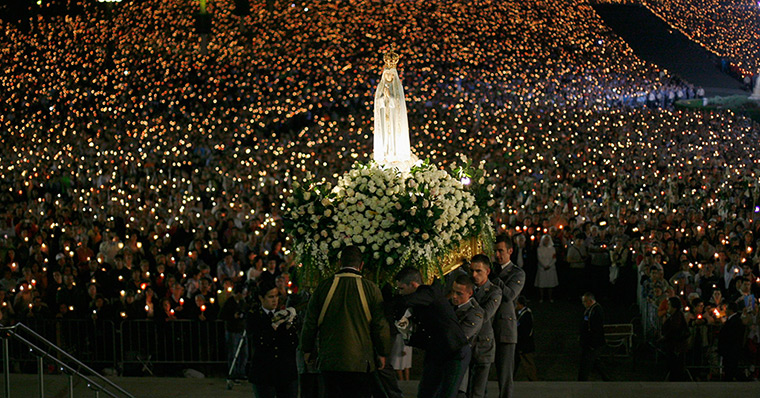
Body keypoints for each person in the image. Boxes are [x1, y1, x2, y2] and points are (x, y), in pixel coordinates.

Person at [300, 246, 391, 398]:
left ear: (339, 263)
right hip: (361, 361)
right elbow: (380, 326)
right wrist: (382, 352)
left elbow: (310, 323)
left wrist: (307, 349)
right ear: (361, 265)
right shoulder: (371, 289)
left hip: (330, 360)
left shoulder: (324, 287)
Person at [395, 267, 468, 398]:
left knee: (447, 394)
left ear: (413, 285)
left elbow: (404, 302)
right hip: (437, 352)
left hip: (454, 351)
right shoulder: (420, 299)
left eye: (401, 289)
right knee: (425, 392)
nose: (400, 293)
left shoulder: (428, 292)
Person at [247, 279, 299, 398]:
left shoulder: (284, 314)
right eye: (271, 297)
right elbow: (259, 341)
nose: (275, 300)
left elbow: (293, 342)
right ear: (261, 298)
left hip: (285, 371)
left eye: (276, 296)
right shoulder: (254, 316)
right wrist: (273, 326)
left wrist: (289, 325)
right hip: (264, 372)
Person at [492, 234, 525, 398]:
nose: (497, 255)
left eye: (501, 251)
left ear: (510, 251)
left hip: (504, 328)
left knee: (505, 375)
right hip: (487, 328)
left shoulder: (517, 273)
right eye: (495, 251)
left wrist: (491, 279)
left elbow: (509, 295)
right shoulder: (490, 269)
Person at [468, 254, 502, 398]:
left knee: (478, 391)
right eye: (472, 271)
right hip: (468, 343)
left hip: (483, 345)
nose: (474, 275)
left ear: (487, 271)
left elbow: (484, 315)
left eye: (478, 271)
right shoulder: (467, 287)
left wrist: (468, 298)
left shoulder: (494, 291)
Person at [374, 49, 413, 169]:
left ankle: (396, 154)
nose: (388, 76)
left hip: (394, 118)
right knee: (386, 135)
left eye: (391, 74)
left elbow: (399, 103)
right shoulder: (381, 88)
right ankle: (385, 153)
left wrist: (390, 97)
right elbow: (377, 103)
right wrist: (382, 98)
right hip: (385, 117)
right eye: (386, 74)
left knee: (394, 135)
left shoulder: (397, 89)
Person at [449, 274, 482, 398]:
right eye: (453, 292)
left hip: (460, 361)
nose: (454, 296)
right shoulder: (449, 305)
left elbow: (459, 337)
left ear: (470, 293)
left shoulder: (474, 313)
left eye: (459, 293)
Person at [219, 284, 249, 383]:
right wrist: (233, 316)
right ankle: (233, 373)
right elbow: (222, 315)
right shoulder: (229, 303)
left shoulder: (242, 302)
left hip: (242, 330)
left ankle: (241, 372)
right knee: (233, 353)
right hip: (232, 331)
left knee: (244, 353)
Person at [578, 292, 609, 381]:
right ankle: (606, 377)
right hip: (589, 342)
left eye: (584, 301)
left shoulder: (596, 311)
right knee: (595, 361)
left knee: (586, 364)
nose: (583, 304)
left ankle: (582, 381)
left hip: (592, 343)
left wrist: (592, 343)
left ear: (590, 301)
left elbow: (596, 329)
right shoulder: (591, 310)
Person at [659, 297, 688, 381]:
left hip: (676, 346)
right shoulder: (674, 316)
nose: (667, 307)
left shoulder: (677, 317)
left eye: (669, 305)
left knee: (675, 368)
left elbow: (674, 330)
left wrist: (665, 337)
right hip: (673, 345)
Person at [718, 301, 746, 381]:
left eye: (727, 309)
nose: (725, 311)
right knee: (730, 366)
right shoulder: (734, 320)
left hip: (730, 348)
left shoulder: (734, 321)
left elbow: (730, 334)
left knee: (730, 366)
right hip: (731, 348)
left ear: (730, 310)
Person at [515, 296, 537, 381]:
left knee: (528, 362)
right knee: (515, 362)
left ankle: (533, 378)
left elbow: (525, 332)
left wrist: (521, 344)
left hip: (525, 345)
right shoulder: (521, 313)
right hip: (521, 344)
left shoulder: (526, 315)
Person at [535, 234, 558, 303]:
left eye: (547, 240)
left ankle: (550, 297)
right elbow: (539, 258)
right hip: (542, 268)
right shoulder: (539, 249)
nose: (546, 241)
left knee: (550, 283)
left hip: (551, 268)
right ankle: (541, 298)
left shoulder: (553, 249)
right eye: (545, 240)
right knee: (541, 283)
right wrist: (544, 265)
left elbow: (554, 258)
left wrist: (549, 265)